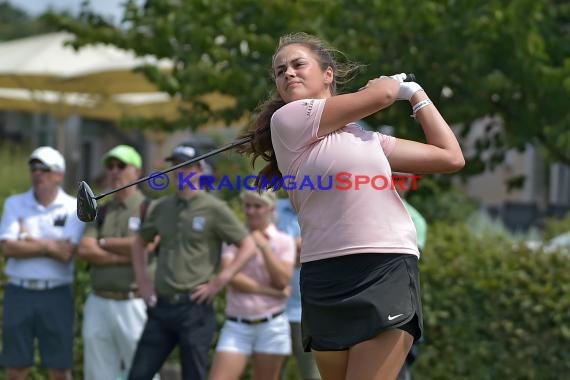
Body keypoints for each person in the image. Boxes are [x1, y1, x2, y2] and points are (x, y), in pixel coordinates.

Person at [239, 32, 464, 380]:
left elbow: (450, 157)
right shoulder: (288, 120)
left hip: (383, 266)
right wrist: (393, 85)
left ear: (327, 74)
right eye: (280, 71)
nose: (288, 74)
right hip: (323, 275)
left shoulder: (368, 139)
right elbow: (382, 94)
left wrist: (417, 95)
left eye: (298, 65)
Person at [128, 143, 257, 380]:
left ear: (199, 170)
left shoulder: (214, 208)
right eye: (175, 165)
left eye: (185, 166)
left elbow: (248, 245)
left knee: (193, 376)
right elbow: (139, 242)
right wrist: (143, 282)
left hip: (194, 309)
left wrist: (219, 282)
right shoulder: (161, 207)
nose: (178, 171)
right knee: (138, 375)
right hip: (161, 306)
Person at [0, 146, 85, 380]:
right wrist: (50, 246)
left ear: (60, 174)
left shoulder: (72, 207)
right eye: (34, 168)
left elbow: (67, 252)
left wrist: (28, 239)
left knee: (60, 369)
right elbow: (8, 247)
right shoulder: (14, 203)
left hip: (56, 293)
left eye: (45, 169)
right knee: (15, 367)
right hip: (19, 292)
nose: (38, 174)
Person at [77, 145, 156, 380]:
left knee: (144, 371)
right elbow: (85, 248)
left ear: (137, 171)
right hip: (99, 300)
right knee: (97, 374)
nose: (114, 171)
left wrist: (102, 243)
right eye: (110, 166)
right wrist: (128, 252)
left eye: (121, 166)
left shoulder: (149, 208)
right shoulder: (100, 210)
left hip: (133, 302)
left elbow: (148, 246)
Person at [209, 190, 295, 380]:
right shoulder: (234, 239)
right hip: (237, 324)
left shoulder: (284, 241)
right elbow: (232, 277)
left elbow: (282, 280)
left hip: (271, 325)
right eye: (247, 205)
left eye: (257, 206)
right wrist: (271, 292)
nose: (251, 211)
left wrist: (263, 246)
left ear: (270, 208)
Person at [276, 196, 321, 380]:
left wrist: (283, 253)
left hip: (311, 311)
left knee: (314, 376)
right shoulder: (272, 208)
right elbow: (258, 249)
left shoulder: (325, 208)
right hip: (273, 310)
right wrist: (293, 249)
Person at [393, 173, 427, 380]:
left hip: (398, 303)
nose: (397, 182)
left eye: (402, 179)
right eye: (393, 176)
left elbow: (405, 263)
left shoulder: (415, 219)